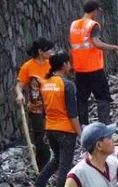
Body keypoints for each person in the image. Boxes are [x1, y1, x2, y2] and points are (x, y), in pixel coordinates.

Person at [70, 0, 118, 125]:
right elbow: (96, 43)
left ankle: (83, 127)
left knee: (82, 99)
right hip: (94, 69)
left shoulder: (74, 25)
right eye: (97, 12)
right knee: (103, 97)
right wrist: (115, 48)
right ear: (94, 11)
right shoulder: (93, 25)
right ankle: (104, 126)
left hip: (79, 69)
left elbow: (73, 46)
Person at [36, 53, 81, 187]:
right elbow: (72, 115)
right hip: (65, 130)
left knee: (56, 160)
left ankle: (39, 184)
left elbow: (45, 110)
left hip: (50, 128)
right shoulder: (67, 85)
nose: (70, 65)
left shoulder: (45, 84)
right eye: (69, 63)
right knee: (64, 167)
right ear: (64, 65)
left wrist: (45, 131)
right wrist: (80, 134)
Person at [14, 38, 54, 171]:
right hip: (36, 108)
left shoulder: (51, 64)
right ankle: (42, 167)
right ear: (40, 51)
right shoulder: (27, 66)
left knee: (52, 134)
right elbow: (19, 86)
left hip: (52, 105)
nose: (51, 52)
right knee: (40, 136)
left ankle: (53, 164)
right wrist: (19, 95)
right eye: (48, 50)